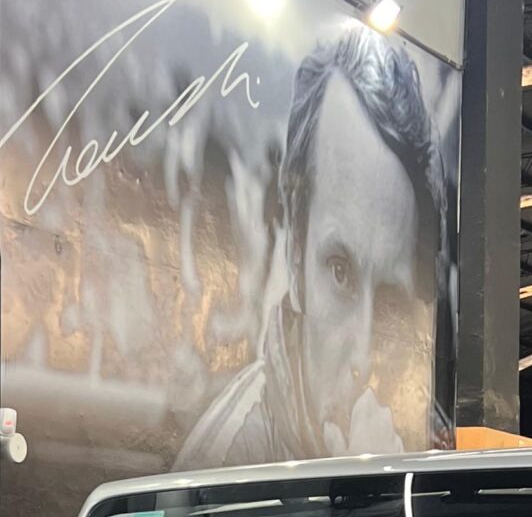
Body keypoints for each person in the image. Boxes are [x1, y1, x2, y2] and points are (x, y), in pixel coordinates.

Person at [177, 25, 448, 468]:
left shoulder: (413, 434)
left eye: (389, 303)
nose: (362, 357)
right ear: (296, 252)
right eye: (340, 272)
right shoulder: (227, 465)